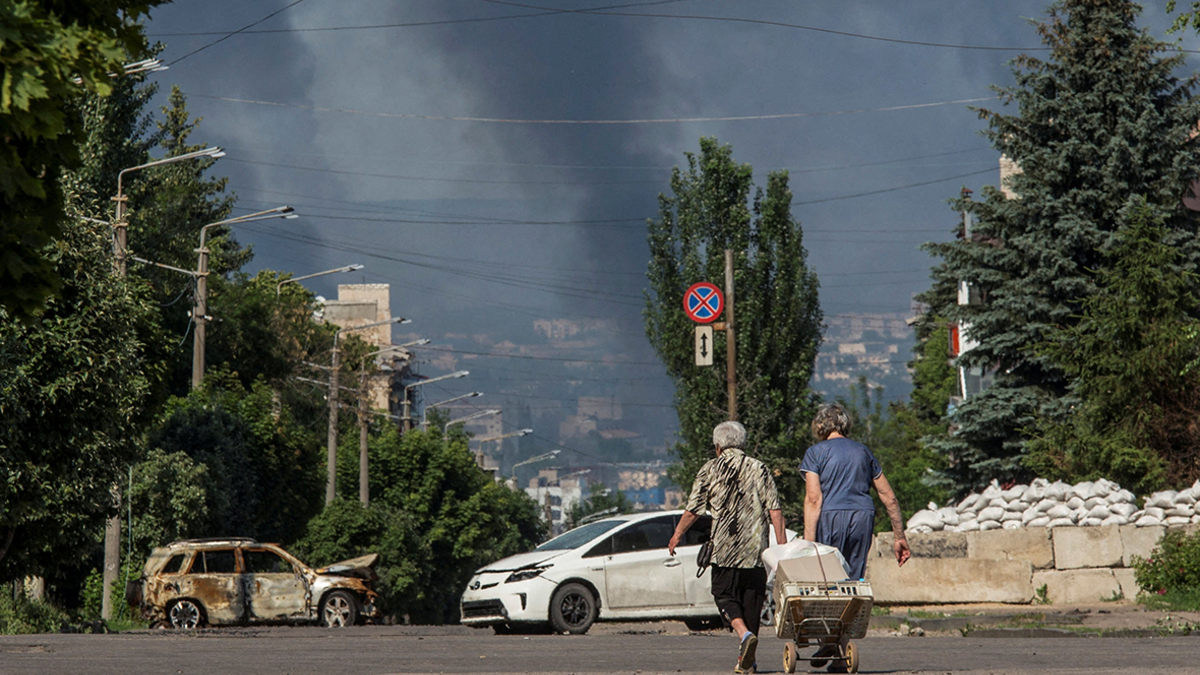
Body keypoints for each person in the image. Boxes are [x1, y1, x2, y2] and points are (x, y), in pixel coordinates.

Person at [669, 421, 785, 675]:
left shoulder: (709, 469)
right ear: (742, 444)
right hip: (756, 552)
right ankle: (748, 661)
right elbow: (775, 511)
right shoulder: (761, 469)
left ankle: (743, 636)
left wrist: (677, 534)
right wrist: (782, 548)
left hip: (724, 550)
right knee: (752, 603)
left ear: (718, 446)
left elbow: (693, 510)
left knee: (724, 595)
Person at [800, 403, 911, 581]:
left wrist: (808, 545)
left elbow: (814, 499)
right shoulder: (863, 452)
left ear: (820, 426)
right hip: (862, 516)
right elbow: (890, 498)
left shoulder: (815, 453)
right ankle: (853, 607)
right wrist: (899, 537)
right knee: (853, 579)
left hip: (831, 516)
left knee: (827, 578)